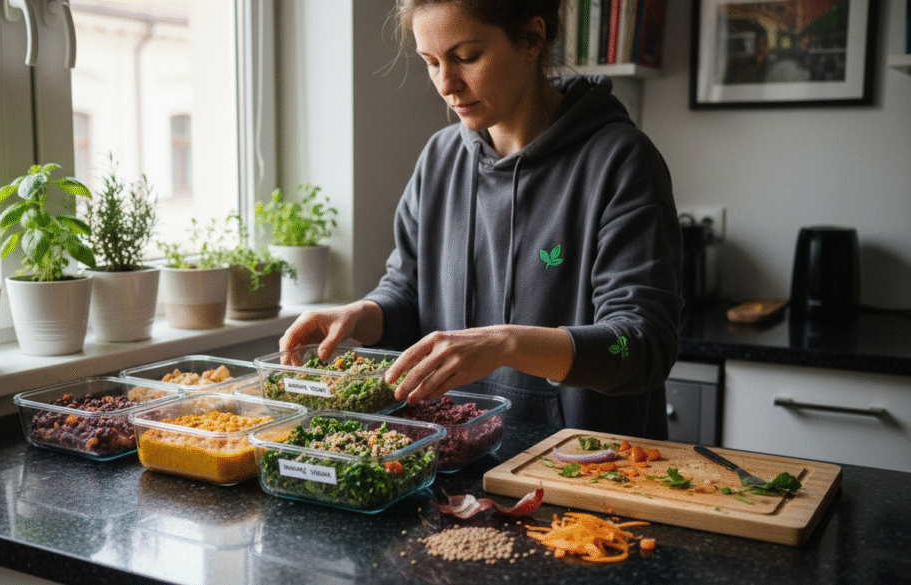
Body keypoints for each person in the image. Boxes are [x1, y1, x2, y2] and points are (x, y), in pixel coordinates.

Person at [279, 0, 683, 439]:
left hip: (584, 473)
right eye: (431, 63)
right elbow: (408, 291)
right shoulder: (439, 158)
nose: (446, 85)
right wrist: (360, 315)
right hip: (457, 466)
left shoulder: (621, 161)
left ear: (531, 39)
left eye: (466, 57)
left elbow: (642, 345)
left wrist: (505, 345)